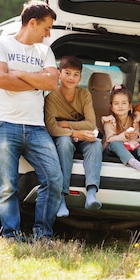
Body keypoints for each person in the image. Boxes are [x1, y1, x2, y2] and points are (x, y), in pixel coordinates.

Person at [0, 0, 63, 242]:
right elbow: (1, 80)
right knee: (8, 187)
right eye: (46, 27)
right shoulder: (0, 44)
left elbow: (51, 83)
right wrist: (35, 79)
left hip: (36, 128)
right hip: (3, 124)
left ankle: (42, 235)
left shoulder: (45, 51)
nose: (49, 33)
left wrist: (19, 73)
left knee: (53, 179)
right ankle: (12, 234)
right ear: (32, 23)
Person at [44, 55, 104, 218]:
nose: (71, 77)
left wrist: (67, 124)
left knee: (96, 143)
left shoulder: (84, 95)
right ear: (59, 73)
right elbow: (52, 128)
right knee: (64, 142)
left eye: (76, 74)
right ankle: (61, 198)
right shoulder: (51, 97)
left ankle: (91, 194)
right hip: (64, 137)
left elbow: (91, 123)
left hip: (82, 136)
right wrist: (74, 132)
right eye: (67, 73)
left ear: (80, 77)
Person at [102, 83, 140, 173]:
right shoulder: (109, 121)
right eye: (116, 103)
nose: (120, 106)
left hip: (130, 148)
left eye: (124, 103)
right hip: (111, 150)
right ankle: (134, 163)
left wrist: (136, 137)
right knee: (116, 143)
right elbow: (109, 139)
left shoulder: (134, 119)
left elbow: (138, 137)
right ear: (111, 107)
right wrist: (125, 136)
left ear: (130, 106)